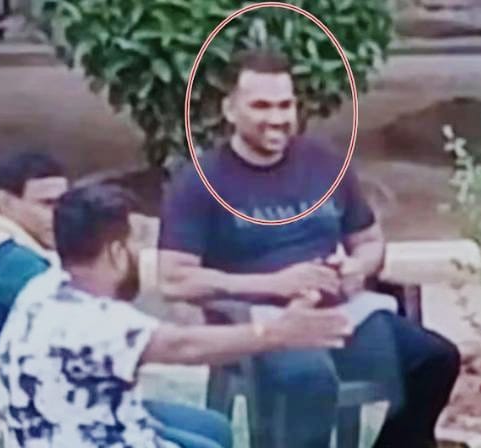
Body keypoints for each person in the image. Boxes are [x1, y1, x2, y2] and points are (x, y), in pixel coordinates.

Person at [158, 48, 460, 447]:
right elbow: (174, 279)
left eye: (285, 105)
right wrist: (272, 284)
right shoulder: (200, 181)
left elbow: (370, 242)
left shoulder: (324, 163)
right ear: (230, 110)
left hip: (341, 316)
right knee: (310, 377)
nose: (276, 118)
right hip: (259, 325)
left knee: (435, 359)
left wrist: (356, 268)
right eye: (261, 106)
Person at [0, 184, 354, 448]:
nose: (139, 252)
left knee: (211, 429)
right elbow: (182, 345)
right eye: (134, 242)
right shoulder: (93, 322)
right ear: (115, 252)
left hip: (59, 426)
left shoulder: (47, 286)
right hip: (82, 437)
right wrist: (277, 333)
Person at [0, 152, 67, 374]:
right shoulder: (15, 264)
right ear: (5, 202)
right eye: (47, 204)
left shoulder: (0, 253)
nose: (61, 215)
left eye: (64, 204)